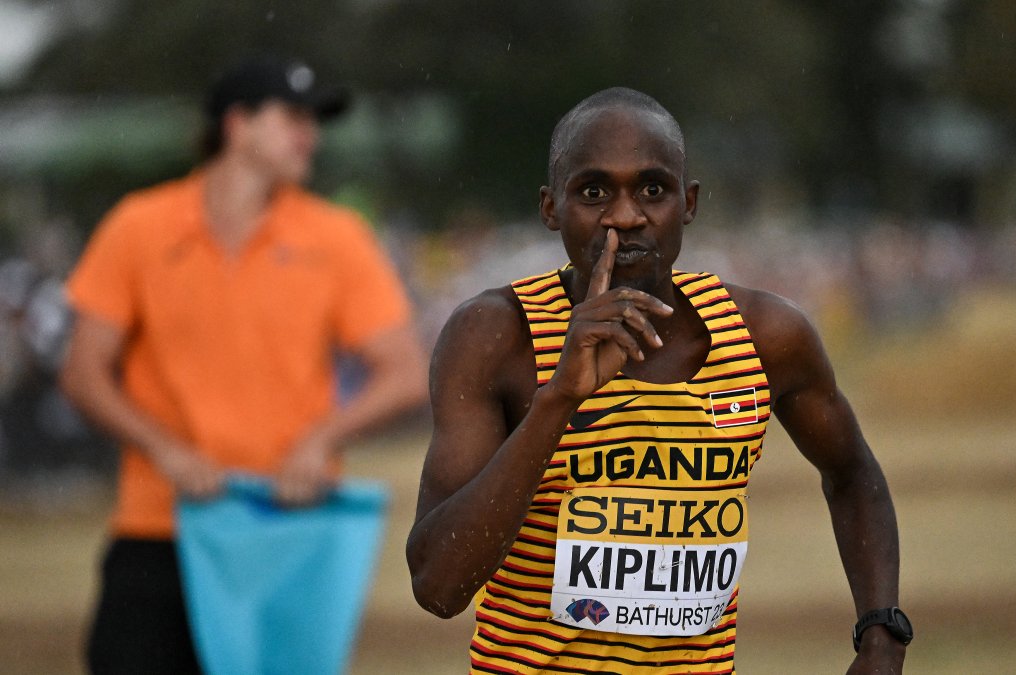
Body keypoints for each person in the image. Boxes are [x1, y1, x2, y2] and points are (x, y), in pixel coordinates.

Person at [407, 87, 909, 674]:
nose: (625, 216)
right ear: (550, 209)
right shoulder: (499, 336)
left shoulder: (766, 336)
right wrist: (559, 398)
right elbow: (438, 587)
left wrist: (882, 632)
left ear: (688, 203)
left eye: (653, 189)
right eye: (593, 192)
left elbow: (852, 472)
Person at [60, 54, 429, 674]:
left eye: (314, 119)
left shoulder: (335, 236)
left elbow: (405, 371)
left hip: (283, 528)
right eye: (293, 116)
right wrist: (166, 450)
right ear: (237, 125)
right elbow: (82, 371)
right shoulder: (138, 226)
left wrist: (321, 440)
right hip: (159, 527)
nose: (309, 133)